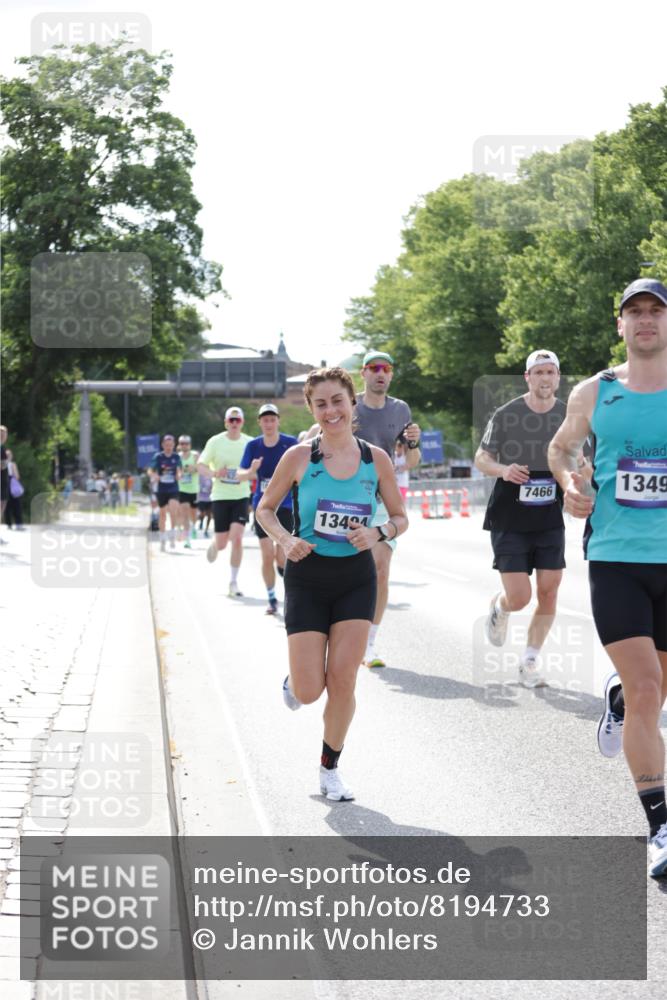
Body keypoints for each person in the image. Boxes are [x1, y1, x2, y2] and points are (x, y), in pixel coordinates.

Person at [548, 277, 667, 879]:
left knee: (653, 690)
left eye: (655, 311)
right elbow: (561, 449)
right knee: (649, 689)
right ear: (620, 325)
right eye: (634, 313)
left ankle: (618, 699)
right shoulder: (597, 390)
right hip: (617, 557)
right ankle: (660, 825)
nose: (645, 321)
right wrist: (572, 484)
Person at [257, 367, 408, 800]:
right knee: (309, 691)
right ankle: (294, 680)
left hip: (355, 580)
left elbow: (400, 517)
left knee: (344, 680)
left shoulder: (375, 459)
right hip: (307, 577)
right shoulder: (300, 458)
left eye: (337, 401)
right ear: (311, 409)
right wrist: (285, 539)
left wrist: (379, 533)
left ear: (351, 403)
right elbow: (265, 510)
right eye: (320, 404)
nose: (331, 410)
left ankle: (329, 768)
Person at [474, 349, 569, 687]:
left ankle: (530, 660)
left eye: (551, 372)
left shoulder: (568, 415)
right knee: (520, 597)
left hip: (548, 518)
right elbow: (481, 458)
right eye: (538, 372)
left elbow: (581, 460)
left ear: (557, 378)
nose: (545, 378)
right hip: (509, 517)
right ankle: (500, 608)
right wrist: (504, 469)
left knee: (549, 591)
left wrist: (580, 478)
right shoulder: (507, 414)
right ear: (528, 378)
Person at [237, 403, 298, 614]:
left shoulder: (290, 444)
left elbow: (302, 469)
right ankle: (272, 598)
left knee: (282, 557)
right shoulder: (253, 446)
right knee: (266, 555)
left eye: (272, 419)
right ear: (260, 423)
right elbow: (240, 475)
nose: (269, 423)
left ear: (278, 421)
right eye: (265, 420)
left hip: (287, 506)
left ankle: (291, 592)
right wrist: (252, 470)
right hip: (262, 508)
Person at [197, 406, 252, 597]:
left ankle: (233, 581)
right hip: (220, 495)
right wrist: (214, 473)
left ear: (242, 422)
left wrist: (247, 475)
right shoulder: (215, 441)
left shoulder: (249, 442)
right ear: (226, 423)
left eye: (238, 420)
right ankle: (215, 544)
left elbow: (255, 470)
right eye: (231, 420)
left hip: (241, 496)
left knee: (236, 538)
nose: (234, 424)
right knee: (222, 544)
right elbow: (200, 465)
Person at [148, 434, 182, 552]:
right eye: (166, 445)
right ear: (163, 445)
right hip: (161, 489)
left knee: (173, 511)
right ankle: (163, 539)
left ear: (174, 445)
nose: (168, 447)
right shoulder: (158, 457)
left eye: (170, 445)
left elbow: (179, 471)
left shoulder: (176, 457)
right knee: (162, 514)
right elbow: (150, 470)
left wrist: (179, 475)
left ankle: (172, 535)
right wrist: (154, 475)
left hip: (173, 488)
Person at [177, 435, 199, 548]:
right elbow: (175, 471)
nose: (184, 445)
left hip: (194, 489)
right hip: (182, 489)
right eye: (182, 443)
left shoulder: (195, 455)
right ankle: (187, 539)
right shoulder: (177, 457)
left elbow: (201, 468)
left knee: (193, 514)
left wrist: (194, 469)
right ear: (179, 445)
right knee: (185, 514)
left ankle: (194, 526)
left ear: (189, 445)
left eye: (186, 443)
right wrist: (178, 474)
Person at [3, 449, 24, 530]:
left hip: (7, 485)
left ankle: (10, 523)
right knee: (15, 505)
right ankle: (16, 523)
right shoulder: (12, 464)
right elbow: (17, 476)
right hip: (9, 485)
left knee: (9, 505)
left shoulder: (5, 464)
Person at [196, 470, 213, 538]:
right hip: (201, 498)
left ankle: (206, 529)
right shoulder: (200, 476)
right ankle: (201, 522)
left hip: (209, 498)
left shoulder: (210, 477)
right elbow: (196, 486)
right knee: (202, 514)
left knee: (209, 515)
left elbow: (212, 486)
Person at [0, 426, 9, 543]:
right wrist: (4, 464)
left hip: (4, 481)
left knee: (2, 508)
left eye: (4, 434)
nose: (3, 436)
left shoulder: (2, 447)